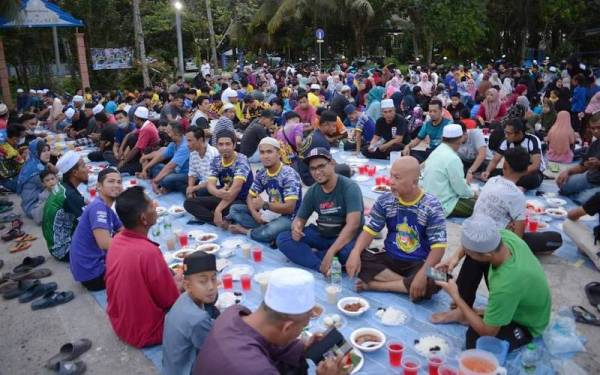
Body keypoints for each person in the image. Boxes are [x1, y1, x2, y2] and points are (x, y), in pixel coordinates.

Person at [193, 267, 346, 375]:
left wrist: (302, 347)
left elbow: (266, 341)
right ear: (287, 327)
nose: (302, 332)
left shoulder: (233, 313)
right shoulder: (257, 370)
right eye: (303, 327)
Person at [432, 215, 551, 351]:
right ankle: (462, 312)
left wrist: (456, 296)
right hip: (512, 293)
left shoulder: (506, 285)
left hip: (525, 321)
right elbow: (470, 246)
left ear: (488, 256)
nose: (467, 253)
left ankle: (467, 311)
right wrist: (454, 258)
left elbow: (488, 332)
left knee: (476, 342)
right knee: (473, 260)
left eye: (469, 252)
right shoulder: (502, 237)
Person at [346, 156, 446, 301]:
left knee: (442, 278)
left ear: (414, 182)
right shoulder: (385, 200)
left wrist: (422, 275)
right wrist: (355, 252)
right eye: (391, 175)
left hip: (419, 263)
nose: (391, 181)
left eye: (397, 178)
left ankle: (377, 286)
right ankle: (408, 285)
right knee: (354, 255)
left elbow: (439, 247)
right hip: (390, 257)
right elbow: (370, 230)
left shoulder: (432, 206)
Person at [106, 186, 180, 348]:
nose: (155, 205)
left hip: (121, 323)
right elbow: (170, 300)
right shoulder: (148, 252)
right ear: (143, 219)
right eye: (150, 204)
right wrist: (181, 285)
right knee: (203, 300)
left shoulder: (117, 239)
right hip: (147, 331)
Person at [277, 148, 363, 275]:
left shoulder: (350, 187)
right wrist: (297, 227)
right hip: (322, 235)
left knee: (347, 253)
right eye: (313, 168)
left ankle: (315, 256)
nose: (317, 172)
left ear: (332, 164)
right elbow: (300, 218)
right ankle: (321, 265)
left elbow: (353, 226)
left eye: (321, 166)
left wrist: (332, 251)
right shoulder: (313, 191)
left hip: (346, 238)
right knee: (283, 239)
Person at [228, 137, 301, 245]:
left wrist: (264, 205)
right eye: (262, 152)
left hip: (290, 217)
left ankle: (246, 231)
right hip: (270, 213)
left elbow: (290, 208)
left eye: (269, 152)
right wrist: (254, 213)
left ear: (278, 153)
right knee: (234, 209)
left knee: (270, 230)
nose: (265, 156)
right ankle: (266, 230)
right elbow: (250, 196)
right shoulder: (262, 174)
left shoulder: (289, 174)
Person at [162, 252, 219, 375]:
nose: (211, 287)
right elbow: (216, 352)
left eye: (213, 278)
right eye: (203, 281)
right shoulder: (198, 319)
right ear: (187, 285)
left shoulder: (184, 298)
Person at [183, 130, 253, 227]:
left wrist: (218, 209)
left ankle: (218, 215)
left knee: (233, 209)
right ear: (217, 146)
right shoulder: (217, 160)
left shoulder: (241, 160)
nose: (224, 148)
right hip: (224, 195)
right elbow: (210, 184)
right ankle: (218, 220)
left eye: (228, 144)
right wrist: (217, 192)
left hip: (242, 199)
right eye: (221, 144)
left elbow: (234, 191)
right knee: (189, 202)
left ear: (234, 145)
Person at [69, 168, 123, 291]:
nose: (116, 185)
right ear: (99, 186)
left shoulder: (105, 207)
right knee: (141, 265)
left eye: (119, 182)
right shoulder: (98, 208)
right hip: (93, 274)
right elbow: (104, 243)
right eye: (111, 181)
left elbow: (123, 229)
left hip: (89, 268)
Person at [43, 151, 88, 261]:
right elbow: (89, 225)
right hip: (63, 250)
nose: (87, 169)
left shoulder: (63, 186)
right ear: (75, 173)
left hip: (55, 245)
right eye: (83, 166)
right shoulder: (70, 195)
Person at [481, 118, 545, 191]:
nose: (506, 135)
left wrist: (515, 175)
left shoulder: (532, 140)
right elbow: (495, 160)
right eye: (505, 132)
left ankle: (516, 185)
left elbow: (535, 166)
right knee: (490, 172)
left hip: (528, 172)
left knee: (533, 179)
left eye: (509, 133)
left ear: (519, 133)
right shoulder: (506, 141)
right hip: (512, 171)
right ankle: (513, 183)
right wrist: (487, 171)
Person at [296, 111, 351, 186]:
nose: (335, 130)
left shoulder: (314, 133)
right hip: (311, 178)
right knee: (345, 169)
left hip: (304, 173)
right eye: (334, 126)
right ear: (325, 125)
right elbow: (329, 165)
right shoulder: (322, 142)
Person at [557, 112, 600, 203]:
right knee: (563, 185)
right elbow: (582, 166)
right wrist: (567, 171)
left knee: (583, 201)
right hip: (590, 178)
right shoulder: (595, 144)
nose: (595, 131)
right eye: (593, 128)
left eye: (599, 127)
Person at [141, 121, 190, 194]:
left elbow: (170, 166)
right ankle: (167, 186)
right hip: (175, 172)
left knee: (167, 179)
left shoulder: (185, 146)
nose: (166, 134)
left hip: (186, 175)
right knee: (156, 167)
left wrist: (155, 181)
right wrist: (145, 168)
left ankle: (169, 186)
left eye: (168, 132)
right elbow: (161, 156)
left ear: (177, 133)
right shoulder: (173, 143)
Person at [17, 139, 57, 218]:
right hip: (34, 208)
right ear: (36, 152)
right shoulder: (36, 170)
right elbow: (52, 186)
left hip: (30, 204)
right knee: (61, 192)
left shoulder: (34, 163)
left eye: (48, 150)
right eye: (43, 151)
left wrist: (51, 166)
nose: (47, 153)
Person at [118, 107, 160, 175]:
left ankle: (140, 167)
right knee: (132, 137)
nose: (134, 121)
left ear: (137, 119)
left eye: (134, 119)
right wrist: (121, 149)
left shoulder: (146, 129)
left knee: (121, 170)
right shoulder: (147, 123)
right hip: (143, 154)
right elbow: (129, 135)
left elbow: (136, 149)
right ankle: (131, 162)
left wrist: (123, 162)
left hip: (146, 158)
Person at [186, 126, 219, 199]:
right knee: (182, 183)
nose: (187, 144)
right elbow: (192, 173)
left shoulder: (212, 154)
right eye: (187, 141)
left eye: (190, 140)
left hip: (215, 184)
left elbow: (212, 180)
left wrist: (194, 188)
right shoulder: (193, 153)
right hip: (202, 182)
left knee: (200, 192)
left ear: (200, 140)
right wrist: (190, 188)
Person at [0, 124, 26, 192]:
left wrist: (18, 150)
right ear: (15, 138)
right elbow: (24, 167)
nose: (23, 138)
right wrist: (25, 155)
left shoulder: (2, 137)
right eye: (22, 137)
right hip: (6, 180)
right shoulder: (12, 153)